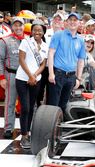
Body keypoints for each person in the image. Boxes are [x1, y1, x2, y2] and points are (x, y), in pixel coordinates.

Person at [16, 19, 48, 148]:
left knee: (32, 107)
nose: (37, 32)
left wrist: (35, 76)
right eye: (35, 30)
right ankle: (24, 136)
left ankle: (28, 132)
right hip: (23, 79)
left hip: (36, 80)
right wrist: (30, 75)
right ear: (32, 31)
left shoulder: (45, 46)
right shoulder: (26, 42)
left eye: (40, 30)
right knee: (25, 108)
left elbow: (43, 64)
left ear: (43, 32)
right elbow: (21, 60)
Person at [47, 13, 86, 113]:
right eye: (71, 20)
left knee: (64, 105)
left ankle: (59, 127)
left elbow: (81, 60)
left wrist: (78, 78)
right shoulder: (59, 35)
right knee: (53, 105)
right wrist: (51, 73)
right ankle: (50, 127)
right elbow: (51, 53)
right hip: (58, 74)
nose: (73, 22)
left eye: (75, 20)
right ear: (67, 22)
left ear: (79, 23)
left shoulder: (81, 40)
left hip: (71, 77)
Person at [0, 17, 25, 139]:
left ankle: (27, 127)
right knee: (10, 103)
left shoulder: (29, 40)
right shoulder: (5, 41)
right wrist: (1, 77)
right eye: (16, 25)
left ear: (24, 26)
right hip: (11, 75)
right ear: (12, 27)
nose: (18, 28)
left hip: (26, 76)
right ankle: (8, 128)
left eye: (20, 25)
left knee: (27, 103)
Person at [36, 12, 64, 107]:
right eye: (55, 19)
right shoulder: (45, 33)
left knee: (52, 92)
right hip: (44, 66)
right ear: (52, 21)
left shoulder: (65, 35)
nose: (57, 21)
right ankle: (37, 108)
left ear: (63, 22)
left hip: (56, 68)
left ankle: (48, 113)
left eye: (59, 19)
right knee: (39, 89)